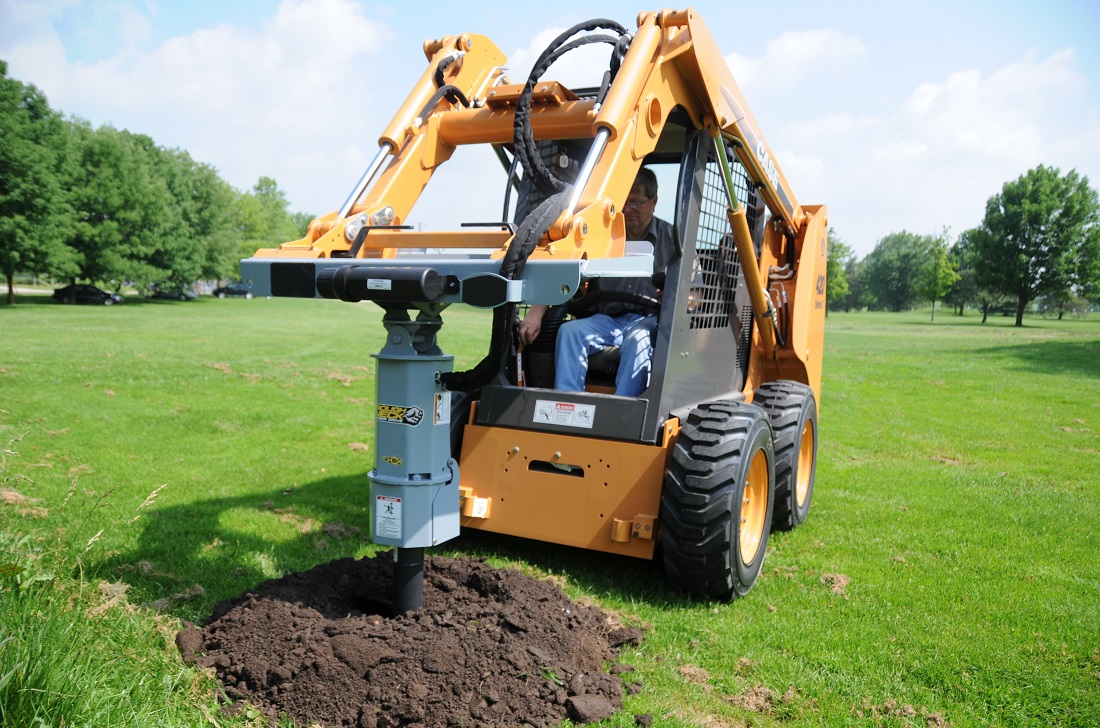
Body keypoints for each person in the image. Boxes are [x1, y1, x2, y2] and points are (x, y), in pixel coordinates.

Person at [518, 167, 676, 397]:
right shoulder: (601, 236)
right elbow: (562, 269)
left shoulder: (672, 239)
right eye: (624, 202)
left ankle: (622, 411)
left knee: (638, 338)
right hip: (608, 319)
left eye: (636, 203)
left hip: (649, 321)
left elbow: (695, 293)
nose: (628, 209)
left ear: (653, 202)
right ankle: (569, 404)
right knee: (570, 332)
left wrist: (672, 294)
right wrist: (536, 311)